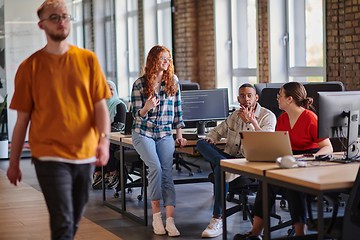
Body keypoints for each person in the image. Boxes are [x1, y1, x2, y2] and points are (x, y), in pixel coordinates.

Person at [6, 1, 111, 239]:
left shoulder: (88, 60)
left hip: (84, 154)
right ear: (41, 25)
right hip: (49, 154)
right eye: (54, 17)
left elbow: (100, 108)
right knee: (63, 221)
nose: (61, 21)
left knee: (73, 221)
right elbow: (22, 121)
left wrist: (103, 142)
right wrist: (14, 163)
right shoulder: (29, 67)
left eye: (65, 16)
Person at [233, 82, 333, 240]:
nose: (277, 98)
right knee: (267, 180)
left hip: (310, 161)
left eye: (280, 94)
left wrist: (307, 160)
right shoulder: (283, 118)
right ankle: (255, 232)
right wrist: (255, 125)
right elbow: (275, 142)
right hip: (291, 160)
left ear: (290, 99)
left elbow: (328, 147)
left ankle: (301, 234)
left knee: (293, 182)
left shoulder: (310, 118)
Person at [197, 83, 277, 238]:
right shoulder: (234, 115)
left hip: (250, 162)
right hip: (230, 159)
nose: (246, 99)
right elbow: (215, 132)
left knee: (220, 169)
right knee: (202, 143)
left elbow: (264, 143)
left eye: (249, 95)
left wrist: (250, 122)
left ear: (256, 97)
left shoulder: (268, 116)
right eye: (242, 96)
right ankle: (224, 163)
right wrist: (211, 139)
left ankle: (217, 218)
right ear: (238, 98)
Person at [131, 45, 187, 237]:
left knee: (166, 173)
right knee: (154, 168)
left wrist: (179, 134)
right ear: (153, 60)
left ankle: (170, 221)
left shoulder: (173, 81)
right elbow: (136, 116)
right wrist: (146, 107)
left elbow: (178, 110)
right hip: (143, 133)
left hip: (165, 133)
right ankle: (157, 217)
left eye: (168, 59)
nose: (166, 62)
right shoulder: (140, 84)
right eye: (162, 58)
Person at [92, 80, 128, 190]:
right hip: (104, 136)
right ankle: (99, 174)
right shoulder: (99, 106)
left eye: (111, 89)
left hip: (117, 139)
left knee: (108, 144)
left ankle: (113, 173)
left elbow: (119, 127)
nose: (109, 91)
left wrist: (102, 133)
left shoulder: (119, 105)